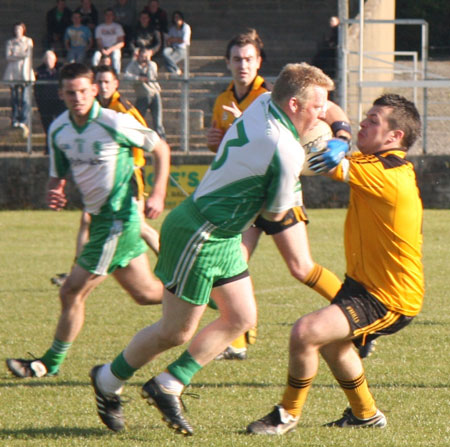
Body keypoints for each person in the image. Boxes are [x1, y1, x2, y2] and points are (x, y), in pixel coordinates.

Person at [88, 62, 348, 436]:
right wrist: (305, 167)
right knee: (175, 332)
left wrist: (340, 133)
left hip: (222, 234)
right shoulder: (286, 151)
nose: (324, 112)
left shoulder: (262, 103)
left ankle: (169, 384)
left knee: (241, 318)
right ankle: (108, 380)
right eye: (318, 106)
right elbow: (275, 213)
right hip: (200, 233)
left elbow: (327, 110)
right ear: (293, 104)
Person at [246, 93, 424, 435]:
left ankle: (286, 414)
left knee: (305, 332)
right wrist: (340, 133)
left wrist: (323, 142)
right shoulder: (382, 166)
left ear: (394, 137)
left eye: (373, 121)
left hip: (389, 297)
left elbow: (320, 162)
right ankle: (365, 414)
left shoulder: (386, 172)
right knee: (332, 344)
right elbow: (326, 110)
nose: (363, 123)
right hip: (364, 285)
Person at [5, 62, 170, 379]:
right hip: (99, 220)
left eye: (83, 90)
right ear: (61, 94)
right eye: (71, 92)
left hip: (117, 220)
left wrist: (158, 193)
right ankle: (203, 294)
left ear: (94, 90)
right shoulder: (59, 130)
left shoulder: (113, 122)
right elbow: (58, 176)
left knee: (71, 291)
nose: (77, 97)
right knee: (146, 294)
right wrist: (56, 190)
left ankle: (47, 363)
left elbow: (160, 148)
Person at [207, 29, 352, 361]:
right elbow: (224, 146)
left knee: (301, 267)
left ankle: (354, 319)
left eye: (248, 59)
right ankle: (240, 335)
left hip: (280, 187)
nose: (242, 65)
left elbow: (327, 108)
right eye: (236, 59)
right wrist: (216, 140)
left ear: (259, 62)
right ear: (227, 63)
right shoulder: (222, 100)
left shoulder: (273, 92)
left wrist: (342, 135)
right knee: (231, 264)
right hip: (248, 190)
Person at [51, 64, 162, 286]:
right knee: (93, 221)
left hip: (127, 177)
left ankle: (175, 265)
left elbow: (150, 142)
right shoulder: (75, 118)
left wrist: (154, 189)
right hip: (104, 188)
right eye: (99, 82)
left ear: (115, 84)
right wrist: (56, 187)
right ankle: (77, 268)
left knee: (140, 228)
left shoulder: (121, 111)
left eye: (105, 82)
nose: (102, 86)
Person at [124, 47, 165, 139]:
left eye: (146, 56)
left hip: (154, 95)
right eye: (142, 56)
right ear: (138, 56)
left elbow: (151, 76)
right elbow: (126, 77)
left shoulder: (152, 65)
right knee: (138, 120)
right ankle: (136, 139)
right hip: (142, 96)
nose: (144, 58)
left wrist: (148, 62)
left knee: (158, 122)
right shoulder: (132, 65)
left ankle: (162, 141)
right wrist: (138, 78)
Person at [3, 22, 34, 138]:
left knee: (25, 98)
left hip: (24, 71)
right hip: (13, 72)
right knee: (15, 98)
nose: (18, 31)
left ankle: (24, 120)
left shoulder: (28, 41)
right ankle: (15, 119)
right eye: (16, 29)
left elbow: (28, 55)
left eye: (19, 29)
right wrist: (19, 55)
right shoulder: (10, 42)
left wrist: (16, 55)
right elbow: (8, 56)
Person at [34, 50, 66, 152]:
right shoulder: (40, 72)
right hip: (45, 103)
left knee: (60, 126)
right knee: (48, 127)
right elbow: (36, 89)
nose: (49, 61)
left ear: (55, 59)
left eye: (51, 58)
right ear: (44, 60)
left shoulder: (61, 71)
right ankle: (48, 149)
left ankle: (60, 148)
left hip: (59, 103)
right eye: (47, 59)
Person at [92, 8, 125, 74]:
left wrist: (110, 50)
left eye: (110, 15)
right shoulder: (99, 27)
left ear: (113, 16)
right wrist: (102, 50)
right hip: (102, 48)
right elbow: (98, 41)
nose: (108, 16)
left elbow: (121, 43)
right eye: (107, 15)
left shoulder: (118, 27)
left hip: (114, 48)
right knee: (95, 57)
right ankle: (95, 73)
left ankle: (116, 74)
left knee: (116, 57)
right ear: (104, 16)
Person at [162, 10, 191, 76]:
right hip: (173, 48)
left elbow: (183, 40)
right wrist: (176, 39)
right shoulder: (172, 29)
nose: (177, 19)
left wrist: (173, 39)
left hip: (182, 49)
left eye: (178, 17)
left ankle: (175, 75)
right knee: (165, 52)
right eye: (175, 17)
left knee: (167, 63)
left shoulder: (186, 27)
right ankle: (177, 69)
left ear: (182, 18)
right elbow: (168, 40)